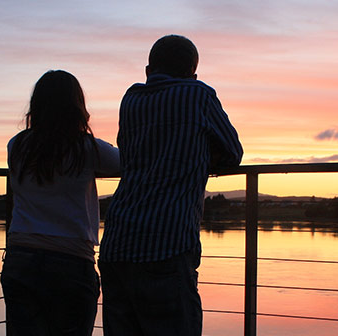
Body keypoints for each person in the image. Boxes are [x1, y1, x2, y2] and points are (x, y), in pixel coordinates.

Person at [99, 35, 243, 335]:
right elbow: (233, 152)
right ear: (193, 72)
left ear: (148, 71)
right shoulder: (198, 95)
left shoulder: (131, 99)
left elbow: (127, 153)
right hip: (167, 244)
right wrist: (202, 152)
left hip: (117, 245)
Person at [1, 70, 120, 336]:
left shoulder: (16, 146)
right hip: (71, 263)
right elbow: (126, 162)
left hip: (21, 258)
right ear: (77, 107)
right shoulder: (87, 148)